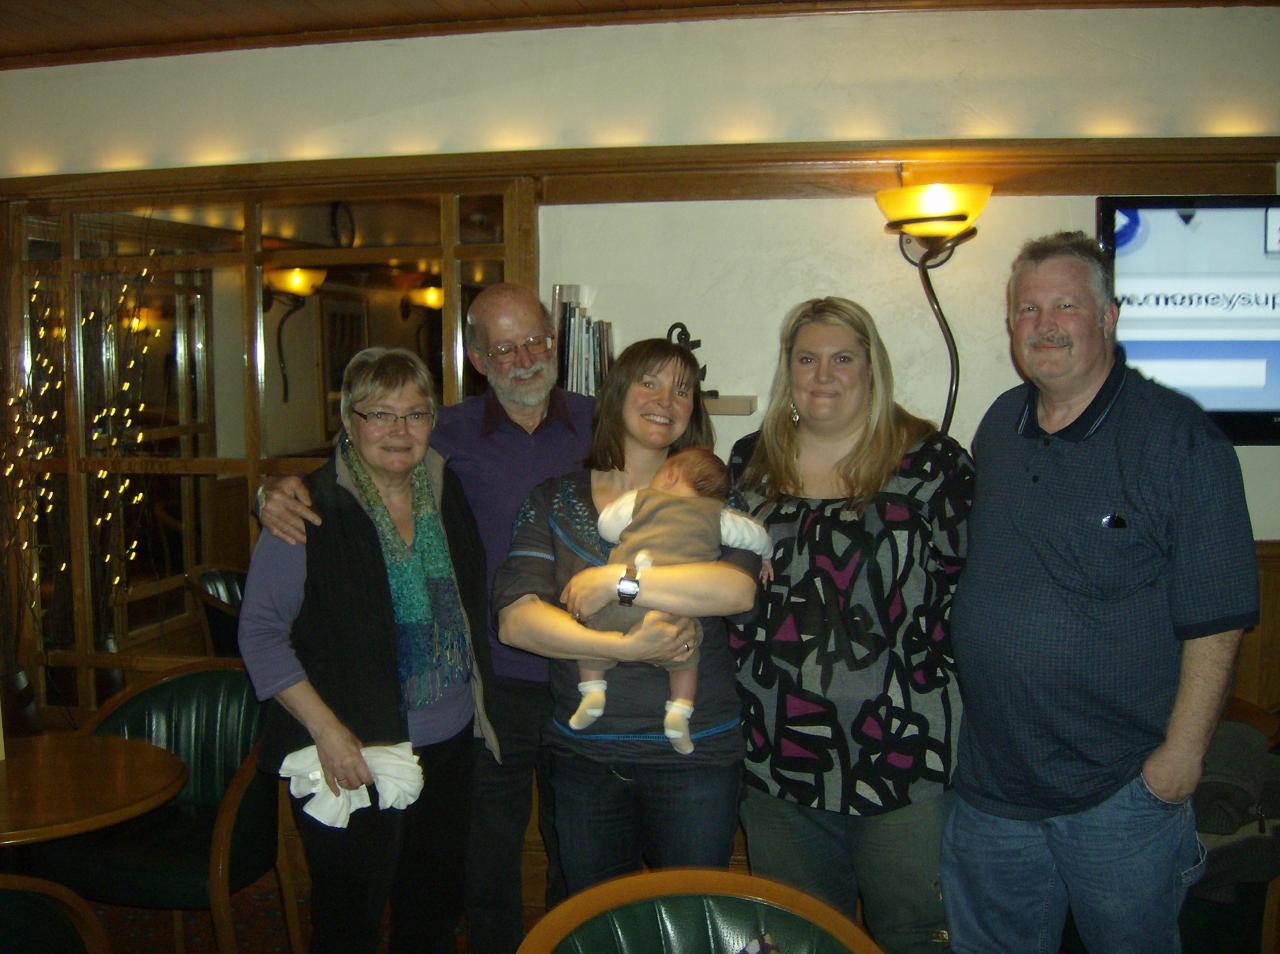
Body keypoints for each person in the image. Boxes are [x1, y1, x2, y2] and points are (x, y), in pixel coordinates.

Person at [940, 232, 1260, 953]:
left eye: (1065, 306)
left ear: (1108, 316)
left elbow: (1218, 617)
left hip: (1118, 792)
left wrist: (1180, 758)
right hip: (992, 787)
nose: (1044, 324)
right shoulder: (999, 424)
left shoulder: (1179, 439)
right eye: (1027, 309)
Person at [256, 283, 592, 954]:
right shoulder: (443, 440)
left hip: (570, 685)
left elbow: (676, 475)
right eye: (504, 347)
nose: (525, 358)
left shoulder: (596, 422)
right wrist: (271, 493)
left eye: (535, 341)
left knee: (563, 861)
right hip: (471, 695)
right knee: (474, 872)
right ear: (478, 359)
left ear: (554, 342)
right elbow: (269, 619)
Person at [728, 296, 973, 954]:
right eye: (806, 359)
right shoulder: (751, 463)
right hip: (777, 750)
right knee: (800, 936)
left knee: (918, 933)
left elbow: (972, 593)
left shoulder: (932, 464)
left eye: (842, 359)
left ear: (872, 368)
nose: (823, 375)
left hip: (906, 750)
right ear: (788, 369)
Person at [239, 347, 488, 953]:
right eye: (380, 414)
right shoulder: (306, 508)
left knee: (432, 915)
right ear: (349, 422)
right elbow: (261, 635)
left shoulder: (445, 487)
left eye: (415, 414)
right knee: (349, 920)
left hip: (449, 743)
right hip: (352, 750)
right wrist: (328, 732)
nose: (399, 430)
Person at [494, 339, 760, 893]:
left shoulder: (713, 498)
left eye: (682, 390)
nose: (666, 400)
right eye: (650, 383)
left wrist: (617, 583)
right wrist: (623, 649)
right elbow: (516, 620)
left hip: (697, 756)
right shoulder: (555, 500)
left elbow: (736, 591)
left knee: (691, 918)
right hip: (586, 757)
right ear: (615, 394)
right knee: (595, 920)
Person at [573, 446, 772, 754]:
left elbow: (608, 527)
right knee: (685, 658)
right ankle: (679, 712)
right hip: (673, 610)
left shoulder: (640, 500)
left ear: (670, 476)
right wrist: (766, 555)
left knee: (592, 633)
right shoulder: (719, 516)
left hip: (620, 605)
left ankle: (592, 693)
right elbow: (755, 536)